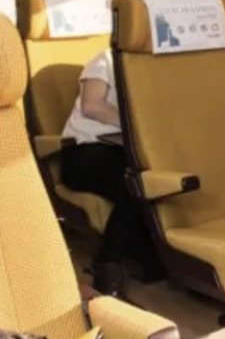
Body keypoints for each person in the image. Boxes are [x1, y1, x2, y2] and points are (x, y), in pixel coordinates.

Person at [61, 49, 156, 298]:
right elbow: (92, 106)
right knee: (134, 182)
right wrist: (137, 125)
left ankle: (147, 253)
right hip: (84, 151)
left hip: (125, 151)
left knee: (153, 179)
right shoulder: (106, 59)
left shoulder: (152, 64)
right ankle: (107, 263)